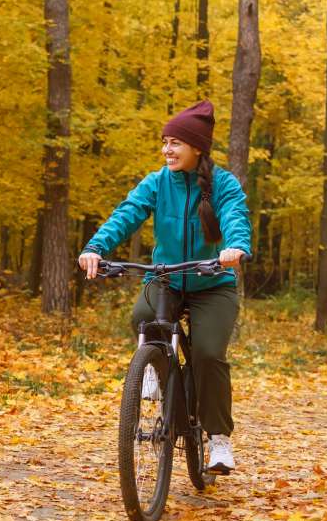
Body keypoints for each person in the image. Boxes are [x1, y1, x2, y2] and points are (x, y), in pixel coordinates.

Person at [77, 100, 252, 474]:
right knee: (143, 317)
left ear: (197, 148)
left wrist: (234, 248)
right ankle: (154, 370)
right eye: (164, 142)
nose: (166, 150)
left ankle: (218, 439)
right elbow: (127, 213)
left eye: (175, 143)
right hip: (166, 278)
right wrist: (95, 247)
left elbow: (236, 217)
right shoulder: (156, 182)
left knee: (206, 353)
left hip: (212, 281)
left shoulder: (222, 184)